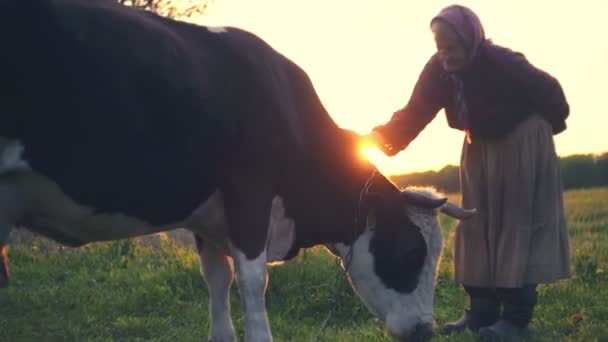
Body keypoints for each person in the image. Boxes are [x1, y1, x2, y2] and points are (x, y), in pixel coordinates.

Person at [365, 4, 571, 340]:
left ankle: (516, 322)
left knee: (512, 226)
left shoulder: (503, 62)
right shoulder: (438, 71)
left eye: (452, 48)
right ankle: (481, 313)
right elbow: (416, 112)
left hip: (520, 140)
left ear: (471, 41)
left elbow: (552, 93)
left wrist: (540, 134)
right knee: (475, 225)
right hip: (479, 146)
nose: (445, 55)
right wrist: (375, 138)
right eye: (439, 48)